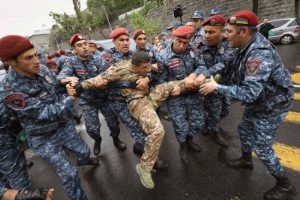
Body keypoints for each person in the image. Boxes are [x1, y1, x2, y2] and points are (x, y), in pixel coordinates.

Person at [199, 10, 296, 200]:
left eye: (229, 31)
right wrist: (204, 74)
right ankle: (246, 160)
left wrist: (216, 87)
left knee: (262, 146)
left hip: (273, 103)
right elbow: (225, 63)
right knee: (244, 129)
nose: (225, 35)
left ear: (243, 32)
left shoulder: (258, 55)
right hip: (261, 99)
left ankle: (285, 185)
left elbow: (250, 94)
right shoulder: (241, 44)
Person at [67, 51, 185, 189]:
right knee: (154, 131)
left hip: (148, 95)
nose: (147, 69)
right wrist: (77, 88)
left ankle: (208, 82)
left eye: (147, 66)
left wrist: (147, 77)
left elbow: (155, 68)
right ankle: (145, 165)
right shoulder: (118, 69)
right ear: (134, 66)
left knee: (174, 85)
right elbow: (96, 80)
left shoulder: (145, 65)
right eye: (144, 68)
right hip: (133, 101)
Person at [0, 35, 99, 200]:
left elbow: (53, 88)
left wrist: (63, 84)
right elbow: (44, 113)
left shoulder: (42, 69)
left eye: (36, 55)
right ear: (11, 61)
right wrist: (71, 98)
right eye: (28, 58)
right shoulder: (9, 90)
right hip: (43, 138)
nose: (36, 60)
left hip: (63, 126)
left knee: (84, 151)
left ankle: (84, 160)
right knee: (69, 173)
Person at [58, 33, 124, 155]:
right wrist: (66, 80)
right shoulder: (71, 62)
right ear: (74, 49)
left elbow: (107, 76)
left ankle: (116, 139)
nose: (84, 47)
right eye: (79, 45)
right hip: (87, 101)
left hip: (104, 98)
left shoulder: (98, 59)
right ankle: (97, 140)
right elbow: (61, 76)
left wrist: (104, 82)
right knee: (92, 128)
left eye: (85, 44)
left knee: (114, 123)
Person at [158, 26, 205, 164]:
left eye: (186, 43)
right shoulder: (163, 56)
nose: (183, 46)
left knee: (198, 122)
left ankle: (189, 140)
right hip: (175, 97)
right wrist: (178, 86)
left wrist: (193, 74)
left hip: (193, 94)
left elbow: (202, 66)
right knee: (180, 126)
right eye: (179, 42)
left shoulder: (193, 50)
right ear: (173, 38)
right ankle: (182, 147)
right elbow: (161, 81)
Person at [194, 14, 237, 147]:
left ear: (222, 32)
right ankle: (214, 131)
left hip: (226, 85)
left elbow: (224, 63)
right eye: (206, 32)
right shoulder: (200, 46)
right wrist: (203, 75)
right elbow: (198, 64)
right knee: (215, 110)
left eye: (211, 32)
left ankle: (208, 124)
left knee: (226, 110)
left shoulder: (230, 44)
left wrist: (206, 73)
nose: (207, 35)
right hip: (209, 86)